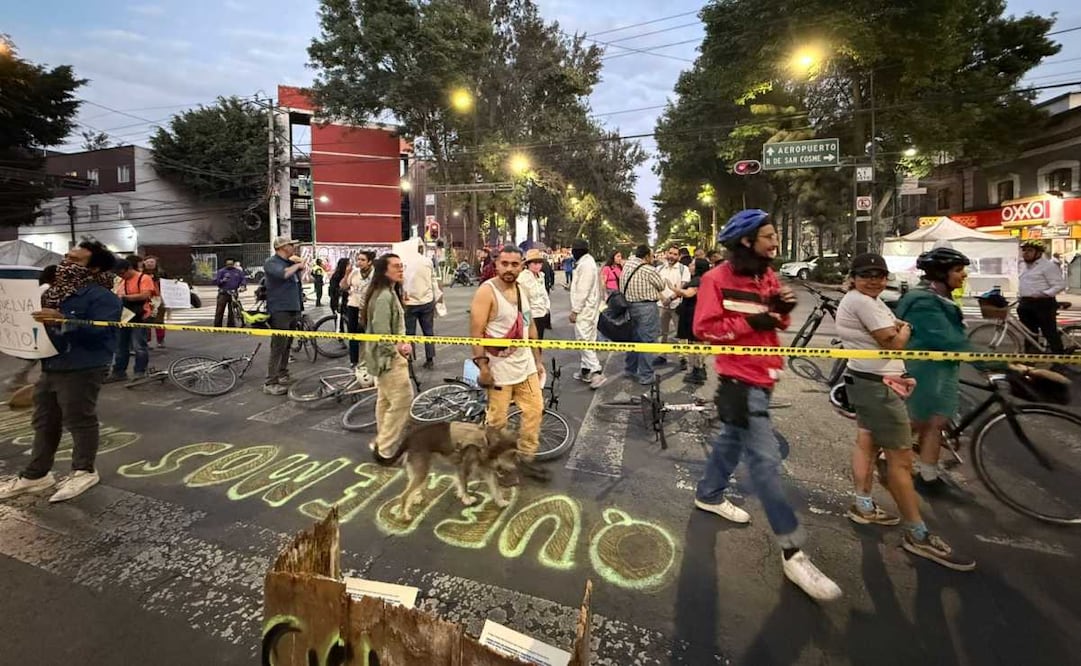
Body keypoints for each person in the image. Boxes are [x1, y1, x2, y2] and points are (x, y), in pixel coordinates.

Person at [693, 209, 841, 602]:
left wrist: (781, 310)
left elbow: (776, 321)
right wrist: (752, 323)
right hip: (741, 382)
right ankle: (793, 552)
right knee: (766, 462)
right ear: (746, 242)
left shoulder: (767, 275)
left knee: (729, 441)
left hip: (768, 375)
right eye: (769, 237)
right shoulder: (715, 279)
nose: (776, 244)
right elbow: (705, 330)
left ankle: (708, 494)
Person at [836, 253, 975, 571]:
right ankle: (918, 534)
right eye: (866, 274)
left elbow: (892, 332)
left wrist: (899, 331)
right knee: (899, 462)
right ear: (853, 277)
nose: (874, 279)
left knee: (867, 443)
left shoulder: (866, 300)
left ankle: (863, 506)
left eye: (879, 274)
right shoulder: (865, 303)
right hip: (878, 386)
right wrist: (905, 330)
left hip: (870, 380)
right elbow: (893, 342)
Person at [0, 241, 122, 503]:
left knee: (79, 419)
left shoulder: (103, 297)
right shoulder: (55, 293)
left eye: (75, 261)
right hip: (51, 364)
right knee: (45, 421)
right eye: (66, 257)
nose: (66, 263)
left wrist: (65, 321)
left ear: (94, 267)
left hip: (83, 366)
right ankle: (36, 475)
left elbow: (104, 334)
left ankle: (84, 470)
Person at [893, 247, 973, 491]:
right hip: (924, 371)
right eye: (958, 270)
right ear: (940, 273)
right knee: (917, 421)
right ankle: (879, 453)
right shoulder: (923, 300)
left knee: (935, 421)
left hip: (943, 369)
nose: (964, 275)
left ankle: (928, 477)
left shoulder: (940, 295)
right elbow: (951, 341)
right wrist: (1002, 364)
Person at [470, 245, 549, 483]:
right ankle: (497, 463)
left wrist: (537, 359)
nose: (509, 269)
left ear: (521, 266)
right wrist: (483, 367)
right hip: (498, 370)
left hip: (525, 367)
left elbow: (529, 326)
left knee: (535, 410)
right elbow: (476, 333)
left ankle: (525, 458)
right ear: (496, 264)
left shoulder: (522, 290)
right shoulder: (487, 292)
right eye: (504, 263)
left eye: (515, 264)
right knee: (497, 422)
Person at [365, 254, 416, 461]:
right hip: (390, 359)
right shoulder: (385, 296)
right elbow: (382, 333)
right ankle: (385, 448)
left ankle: (381, 442)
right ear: (384, 271)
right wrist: (399, 350)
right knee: (402, 400)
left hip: (383, 358)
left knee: (385, 400)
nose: (400, 269)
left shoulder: (387, 293)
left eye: (401, 265)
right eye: (396, 266)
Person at [620, 245, 672, 385]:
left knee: (633, 340)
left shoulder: (627, 264)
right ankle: (646, 376)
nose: (653, 258)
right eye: (652, 256)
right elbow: (661, 286)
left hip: (629, 307)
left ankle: (630, 369)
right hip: (646, 308)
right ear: (647, 256)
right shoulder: (649, 270)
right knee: (647, 341)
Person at [262, 237, 307, 395]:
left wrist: (298, 264)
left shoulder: (289, 262)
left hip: (293, 308)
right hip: (280, 309)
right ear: (282, 247)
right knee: (278, 345)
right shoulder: (272, 262)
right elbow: (284, 274)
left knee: (288, 344)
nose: (294, 247)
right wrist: (297, 265)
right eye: (291, 245)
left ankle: (283, 373)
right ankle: (270, 381)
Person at [105, 259, 154, 383]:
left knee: (139, 346)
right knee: (121, 345)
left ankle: (140, 371)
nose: (121, 276)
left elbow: (145, 295)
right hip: (124, 316)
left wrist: (125, 297)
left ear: (129, 269)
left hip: (139, 316)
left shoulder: (144, 278)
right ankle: (119, 372)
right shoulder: (121, 280)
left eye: (122, 273)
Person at [569, 239, 607, 389]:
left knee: (583, 340)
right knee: (588, 340)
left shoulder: (585, 265)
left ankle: (596, 371)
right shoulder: (588, 263)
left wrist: (575, 311)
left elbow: (583, 291)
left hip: (585, 310)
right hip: (590, 308)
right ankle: (586, 370)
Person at [1018, 239, 1066, 353]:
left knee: (1049, 332)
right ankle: (1030, 359)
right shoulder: (1024, 266)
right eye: (1024, 250)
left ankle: (1060, 361)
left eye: (1030, 250)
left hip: (1043, 304)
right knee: (1029, 334)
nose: (1026, 253)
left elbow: (1060, 285)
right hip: (1026, 304)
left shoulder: (1048, 266)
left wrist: (1043, 294)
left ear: (1039, 253)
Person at [404, 244, 442, 370]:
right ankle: (430, 359)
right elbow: (433, 280)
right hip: (427, 300)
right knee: (428, 331)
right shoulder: (427, 261)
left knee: (409, 333)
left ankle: (409, 359)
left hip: (409, 302)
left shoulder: (404, 261)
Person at [656, 245, 692, 368]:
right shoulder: (659, 269)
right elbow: (655, 287)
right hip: (662, 306)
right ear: (666, 253)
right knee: (662, 332)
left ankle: (683, 357)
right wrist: (662, 299)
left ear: (679, 256)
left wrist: (670, 298)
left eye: (675, 254)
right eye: (670, 253)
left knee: (681, 333)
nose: (672, 256)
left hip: (677, 306)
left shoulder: (684, 269)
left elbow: (683, 287)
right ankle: (662, 355)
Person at [676, 258, 711, 385]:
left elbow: (688, 294)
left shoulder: (698, 281)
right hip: (694, 316)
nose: (689, 266)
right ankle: (698, 369)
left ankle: (698, 370)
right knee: (695, 344)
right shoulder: (701, 279)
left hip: (693, 317)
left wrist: (675, 289)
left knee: (696, 345)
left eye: (692, 264)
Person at [344, 251, 375, 367]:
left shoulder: (374, 274)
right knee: (353, 335)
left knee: (369, 334)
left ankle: (369, 360)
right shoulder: (354, 273)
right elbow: (343, 285)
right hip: (353, 306)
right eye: (358, 259)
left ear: (370, 262)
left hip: (368, 308)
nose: (359, 262)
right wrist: (347, 274)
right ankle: (354, 360)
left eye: (363, 260)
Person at [519, 249, 551, 339]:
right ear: (528, 264)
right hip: (530, 316)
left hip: (541, 314)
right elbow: (523, 300)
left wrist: (547, 307)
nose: (537, 266)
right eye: (534, 263)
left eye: (539, 263)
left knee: (539, 341)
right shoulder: (523, 278)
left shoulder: (541, 276)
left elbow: (544, 294)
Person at [141, 256, 168, 348]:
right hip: (145, 299)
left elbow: (168, 284)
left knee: (159, 321)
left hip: (159, 299)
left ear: (156, 263)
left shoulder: (161, 274)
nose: (150, 264)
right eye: (147, 262)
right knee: (146, 320)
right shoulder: (140, 274)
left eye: (152, 262)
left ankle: (160, 340)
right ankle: (146, 340)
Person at [212, 258, 246, 328]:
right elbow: (217, 282)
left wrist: (243, 286)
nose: (229, 265)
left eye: (231, 264)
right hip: (223, 293)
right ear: (225, 264)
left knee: (232, 311)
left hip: (233, 293)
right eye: (228, 264)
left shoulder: (238, 272)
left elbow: (243, 280)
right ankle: (217, 326)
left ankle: (231, 325)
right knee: (219, 310)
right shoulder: (221, 271)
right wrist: (222, 280)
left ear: (233, 264)